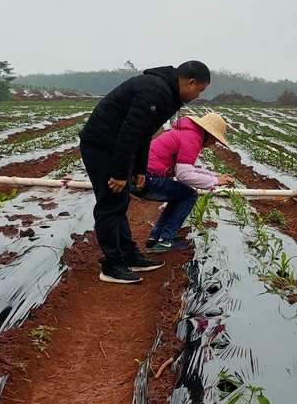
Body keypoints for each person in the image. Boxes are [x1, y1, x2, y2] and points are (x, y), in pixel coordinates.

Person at [78, 61, 211, 284]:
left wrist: (139, 168)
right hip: (100, 147)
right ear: (191, 82)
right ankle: (112, 265)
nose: (198, 95)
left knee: (119, 203)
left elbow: (145, 132)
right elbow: (130, 131)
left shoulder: (167, 93)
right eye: (200, 90)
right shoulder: (155, 90)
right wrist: (120, 173)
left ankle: (128, 255)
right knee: (109, 204)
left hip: (114, 147)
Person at [139, 112, 234, 251]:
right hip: (146, 178)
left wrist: (214, 176)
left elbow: (187, 168)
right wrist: (214, 181)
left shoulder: (186, 133)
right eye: (215, 140)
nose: (213, 144)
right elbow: (184, 175)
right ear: (209, 134)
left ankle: (156, 238)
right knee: (190, 195)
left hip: (142, 175)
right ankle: (165, 240)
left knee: (178, 195)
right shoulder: (193, 138)